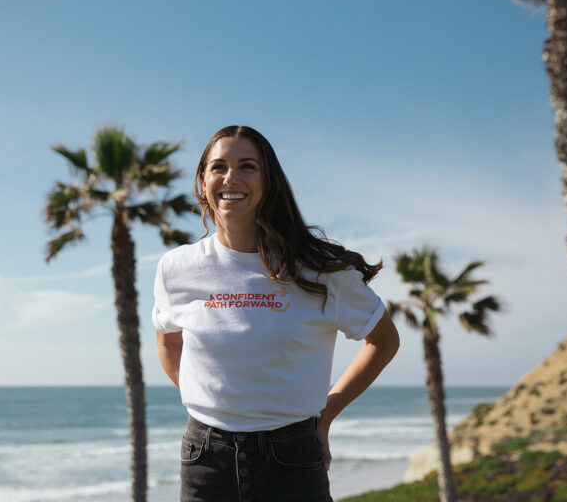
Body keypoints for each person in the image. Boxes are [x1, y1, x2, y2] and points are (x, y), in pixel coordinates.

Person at [153, 125, 400, 502]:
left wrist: (328, 410)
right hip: (204, 457)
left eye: (247, 166)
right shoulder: (177, 267)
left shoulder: (321, 269)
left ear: (268, 181)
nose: (230, 177)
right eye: (218, 166)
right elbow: (169, 342)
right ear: (203, 181)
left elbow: (382, 340)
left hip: (293, 457)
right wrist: (210, 399)